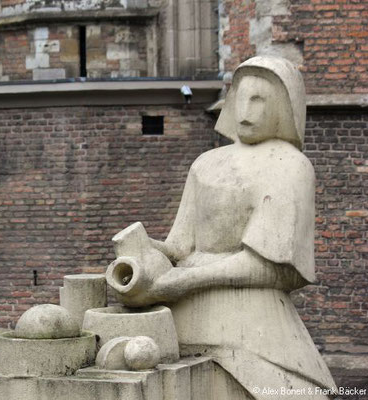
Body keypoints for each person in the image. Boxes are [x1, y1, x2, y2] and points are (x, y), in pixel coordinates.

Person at [110, 56, 336, 399]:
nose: (246, 108)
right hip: (184, 315)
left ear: (282, 106)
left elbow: (270, 266)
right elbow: (180, 247)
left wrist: (185, 280)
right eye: (241, 97)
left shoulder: (290, 166)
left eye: (258, 99)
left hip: (252, 322)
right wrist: (143, 252)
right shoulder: (206, 163)